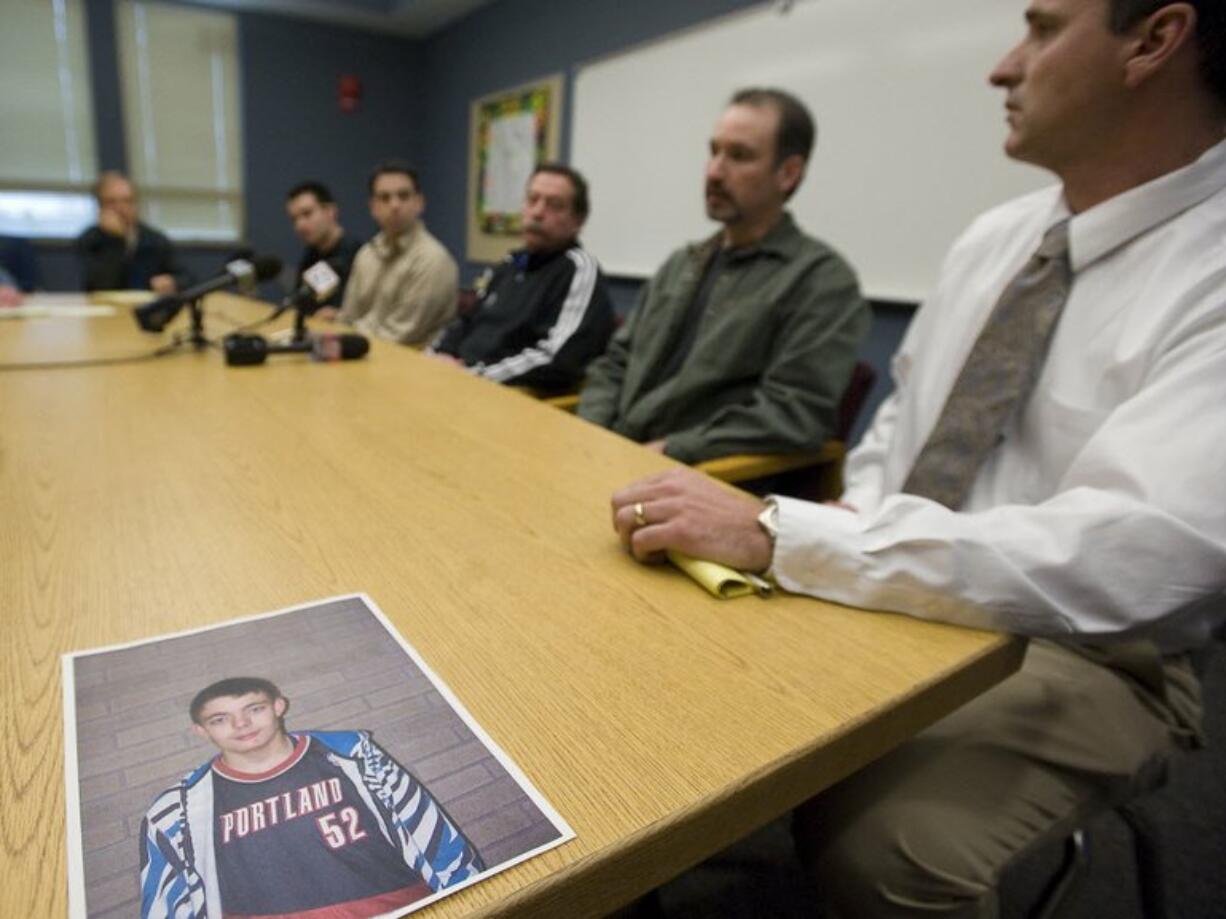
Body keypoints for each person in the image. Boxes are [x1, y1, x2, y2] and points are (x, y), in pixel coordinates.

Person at [609, 0, 1226, 915]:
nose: (1001, 68)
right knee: (653, 685)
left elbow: (1138, 555)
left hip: (1095, 649)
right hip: (892, 571)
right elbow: (901, 418)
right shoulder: (995, 240)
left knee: (880, 852)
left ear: (1153, 41)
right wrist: (853, 522)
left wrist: (808, 541)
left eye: (1045, 30)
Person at [576, 87, 869, 464]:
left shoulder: (821, 281)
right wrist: (591, 432)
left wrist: (672, 450)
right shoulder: (681, 264)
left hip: (700, 483)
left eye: (739, 156)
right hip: (613, 455)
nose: (714, 171)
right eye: (714, 151)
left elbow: (793, 414)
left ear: (788, 173)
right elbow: (615, 362)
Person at [139, 677, 483, 918]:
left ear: (278, 706)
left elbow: (435, 843)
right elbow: (167, 906)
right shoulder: (175, 811)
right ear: (201, 731)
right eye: (220, 719)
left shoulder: (354, 759)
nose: (241, 724)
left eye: (254, 708)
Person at [428, 163, 615, 392]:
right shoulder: (511, 263)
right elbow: (466, 321)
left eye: (554, 206)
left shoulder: (579, 270)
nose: (537, 212)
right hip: (460, 383)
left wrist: (471, 377)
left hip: (510, 399)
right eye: (532, 200)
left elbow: (557, 358)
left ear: (578, 221)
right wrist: (437, 357)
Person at [332, 161, 458, 346]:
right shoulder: (366, 254)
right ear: (373, 207)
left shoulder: (433, 259)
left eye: (403, 195)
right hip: (364, 356)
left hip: (412, 367)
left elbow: (399, 336)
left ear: (419, 203)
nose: (395, 205)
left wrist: (346, 339)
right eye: (384, 197)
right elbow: (349, 318)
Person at [76, 172, 191, 294]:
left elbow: (187, 278)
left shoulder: (154, 239)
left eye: (127, 201)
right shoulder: (89, 239)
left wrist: (173, 282)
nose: (120, 208)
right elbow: (98, 287)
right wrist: (115, 240)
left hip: (149, 308)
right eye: (111, 202)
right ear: (100, 206)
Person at [285, 181, 363, 310]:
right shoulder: (310, 257)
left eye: (307, 214)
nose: (300, 225)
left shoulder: (359, 256)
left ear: (330, 211)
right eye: (294, 219)